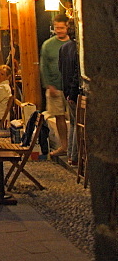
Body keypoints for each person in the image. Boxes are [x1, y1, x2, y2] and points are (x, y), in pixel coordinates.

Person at [40, 14, 70, 157]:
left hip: (70, 87)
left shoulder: (72, 44)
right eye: (57, 28)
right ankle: (64, 145)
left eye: (62, 28)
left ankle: (74, 148)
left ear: (67, 27)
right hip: (54, 86)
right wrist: (48, 85)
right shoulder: (48, 45)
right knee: (59, 117)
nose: (59, 31)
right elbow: (44, 66)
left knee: (73, 118)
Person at [59, 20, 81, 164]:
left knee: (73, 123)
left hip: (67, 91)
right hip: (74, 92)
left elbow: (61, 69)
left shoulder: (64, 48)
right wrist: (73, 93)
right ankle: (74, 156)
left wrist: (67, 91)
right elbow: (76, 72)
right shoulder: (78, 50)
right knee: (76, 123)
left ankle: (71, 156)